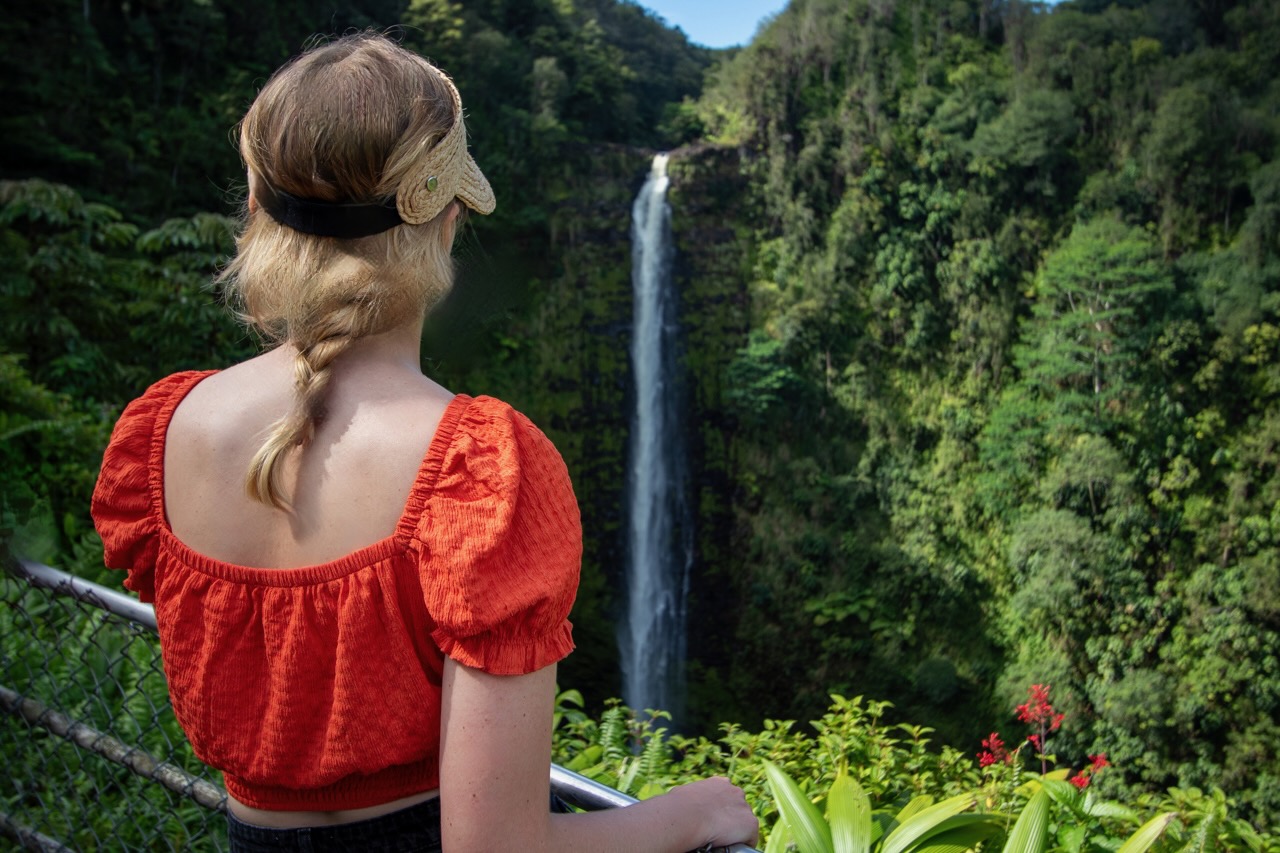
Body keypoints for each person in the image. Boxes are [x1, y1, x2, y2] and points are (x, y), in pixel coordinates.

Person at [90, 31, 758, 853]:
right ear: (445, 219)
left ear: (257, 209)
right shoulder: (477, 471)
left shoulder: (161, 438)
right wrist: (694, 813)